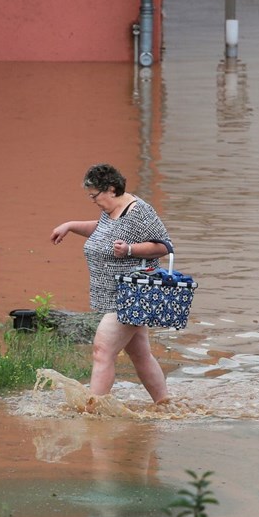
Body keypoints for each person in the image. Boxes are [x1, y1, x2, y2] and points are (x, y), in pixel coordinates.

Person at [50, 163, 172, 405]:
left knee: (102, 351)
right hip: (114, 296)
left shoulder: (139, 211)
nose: (93, 200)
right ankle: (165, 404)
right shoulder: (111, 210)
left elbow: (165, 246)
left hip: (131, 294)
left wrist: (129, 249)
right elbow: (103, 231)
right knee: (140, 354)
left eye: (95, 195)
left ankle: (94, 413)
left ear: (112, 189)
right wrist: (71, 226)